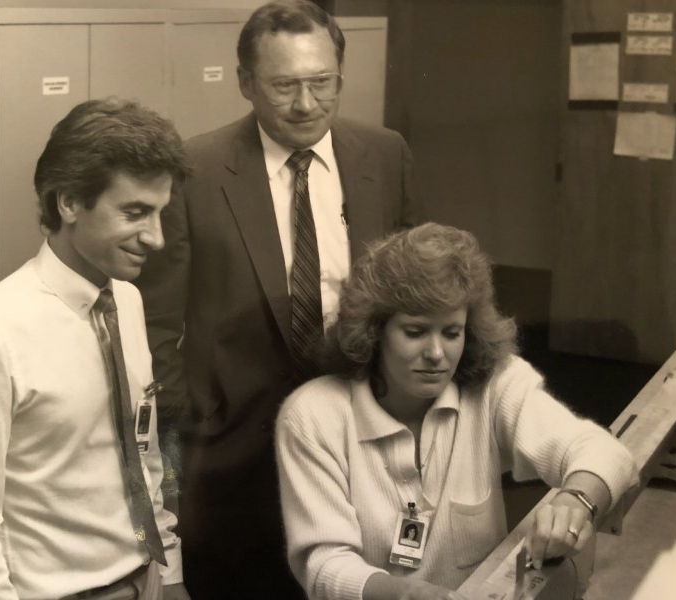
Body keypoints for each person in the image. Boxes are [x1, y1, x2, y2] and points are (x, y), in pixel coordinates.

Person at [133, 1, 422, 598]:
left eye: (322, 83)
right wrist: (185, 441)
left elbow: (416, 299)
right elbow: (155, 327)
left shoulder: (386, 154)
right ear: (245, 83)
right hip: (234, 455)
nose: (306, 104)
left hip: (361, 439)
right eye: (284, 86)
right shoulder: (197, 169)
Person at [275, 223, 640, 600]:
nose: (436, 353)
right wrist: (405, 595)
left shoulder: (495, 384)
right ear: (374, 332)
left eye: (451, 333)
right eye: (415, 332)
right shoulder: (312, 416)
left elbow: (605, 451)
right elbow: (324, 565)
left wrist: (574, 501)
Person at [0, 98, 192, 600]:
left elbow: (144, 456)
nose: (156, 238)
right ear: (69, 202)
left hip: (147, 581)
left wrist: (170, 572)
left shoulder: (127, 302)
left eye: (161, 213)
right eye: (135, 212)